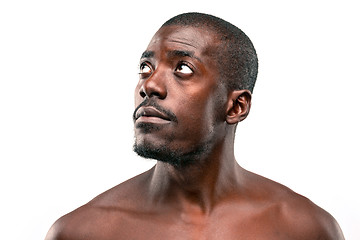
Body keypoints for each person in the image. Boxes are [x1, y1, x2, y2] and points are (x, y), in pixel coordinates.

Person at [45, 12, 344, 240]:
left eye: (183, 68)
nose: (149, 85)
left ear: (236, 107)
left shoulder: (304, 228)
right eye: (145, 68)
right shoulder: (83, 232)